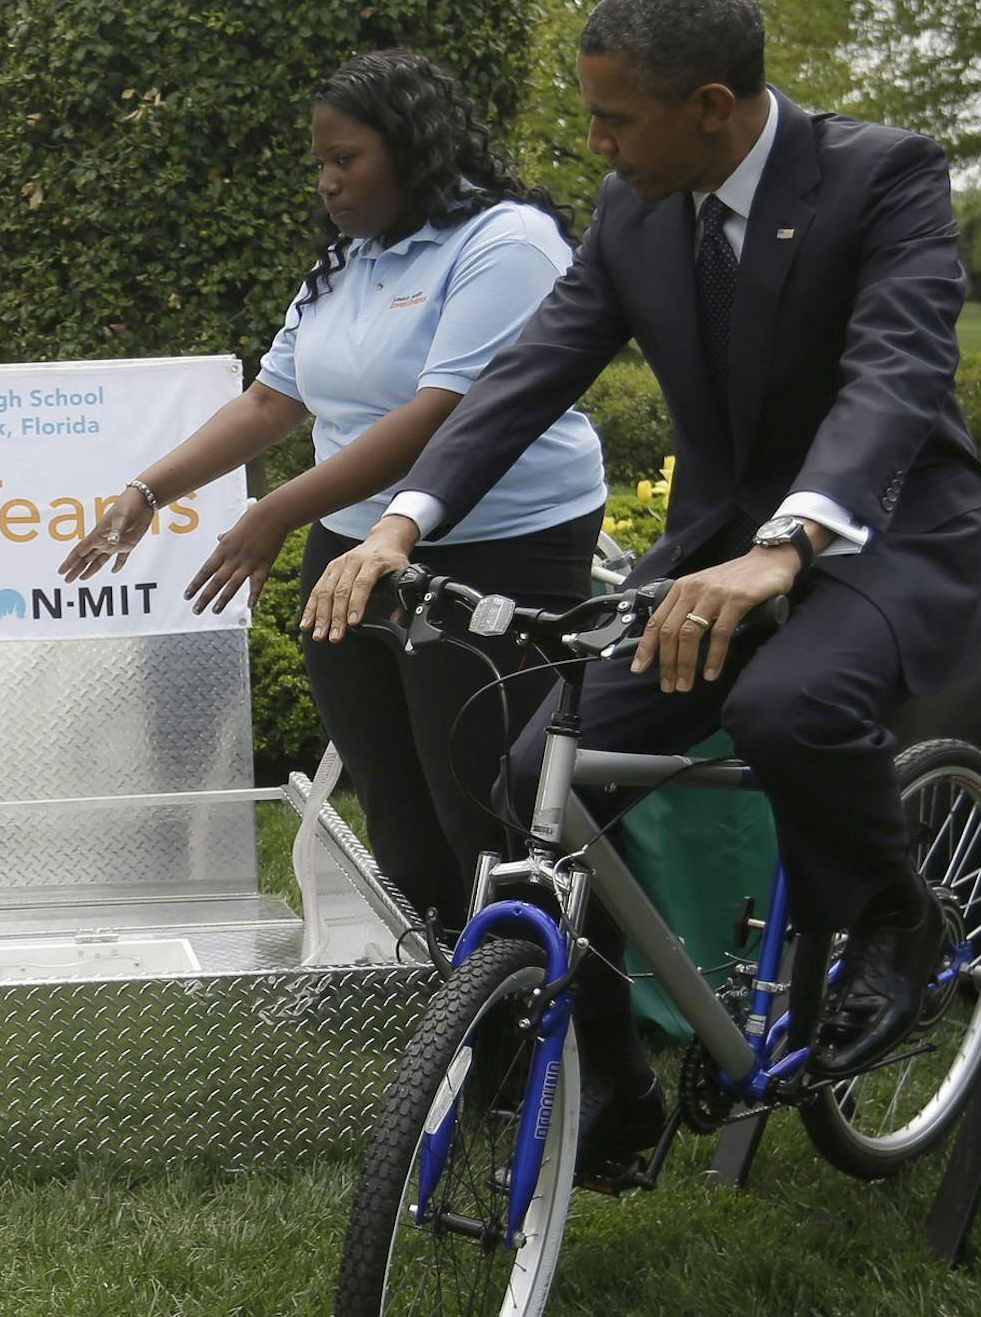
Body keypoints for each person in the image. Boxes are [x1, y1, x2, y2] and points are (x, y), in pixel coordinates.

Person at [303, 0, 981, 1168]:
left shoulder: (883, 174)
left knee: (787, 704)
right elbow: (530, 372)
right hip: (712, 559)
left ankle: (897, 928)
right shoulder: (635, 207)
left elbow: (895, 377)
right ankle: (619, 1080)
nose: (594, 140)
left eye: (615, 116)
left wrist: (787, 542)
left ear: (710, 104)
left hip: (883, 535)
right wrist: (401, 521)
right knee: (540, 774)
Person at [60, 50, 607, 924]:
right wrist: (148, 491)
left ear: (412, 147)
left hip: (492, 551)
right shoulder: (350, 258)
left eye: (344, 158)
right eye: (320, 161)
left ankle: (556, 1031)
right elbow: (275, 399)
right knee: (396, 807)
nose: (326, 181)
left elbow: (444, 413)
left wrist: (276, 508)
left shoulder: (508, 243)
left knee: (482, 811)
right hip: (351, 548)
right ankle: (448, 1002)